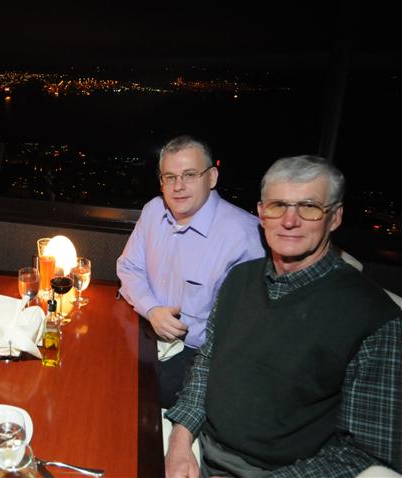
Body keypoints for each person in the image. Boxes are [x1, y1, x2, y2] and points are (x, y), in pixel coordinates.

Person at [165, 155, 401, 477]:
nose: (290, 221)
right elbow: (206, 365)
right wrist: (179, 441)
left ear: (334, 217)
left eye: (309, 207)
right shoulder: (239, 278)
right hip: (200, 448)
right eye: (278, 206)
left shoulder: (375, 317)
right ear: (262, 213)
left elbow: (366, 451)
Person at [116, 135, 265, 408]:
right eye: (170, 177)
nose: (178, 186)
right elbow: (129, 267)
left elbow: (246, 331)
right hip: (144, 328)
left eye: (190, 175)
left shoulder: (244, 236)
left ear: (212, 177)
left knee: (127, 396)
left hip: (198, 354)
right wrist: (152, 309)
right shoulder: (153, 211)